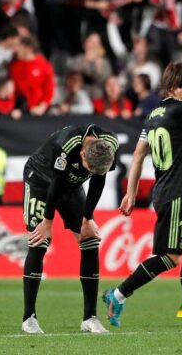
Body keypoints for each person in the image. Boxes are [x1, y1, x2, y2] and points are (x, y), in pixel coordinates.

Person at [103, 62, 182, 328]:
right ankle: (119, 294)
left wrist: (130, 194)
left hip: (170, 191)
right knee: (172, 256)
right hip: (177, 191)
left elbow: (138, 154)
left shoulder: (154, 114)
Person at [21, 123, 119, 334]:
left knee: (90, 240)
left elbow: (98, 181)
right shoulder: (65, 145)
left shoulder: (109, 146)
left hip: (71, 186)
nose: (88, 172)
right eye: (86, 166)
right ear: (83, 152)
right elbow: (56, 182)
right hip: (41, 179)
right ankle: (29, 317)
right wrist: (47, 223)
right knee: (40, 241)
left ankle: (90, 318)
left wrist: (88, 218)